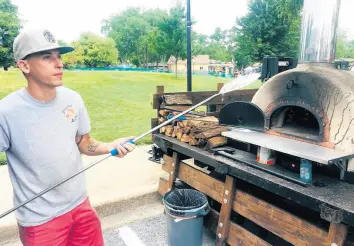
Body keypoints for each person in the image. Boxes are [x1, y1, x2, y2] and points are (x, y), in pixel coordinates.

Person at [0, 28, 136, 245]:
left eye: (59, 56)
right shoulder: (6, 112)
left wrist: (111, 146)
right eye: (47, 57)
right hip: (40, 221)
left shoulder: (72, 99)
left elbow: (84, 142)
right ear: (24, 65)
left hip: (80, 205)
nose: (58, 63)